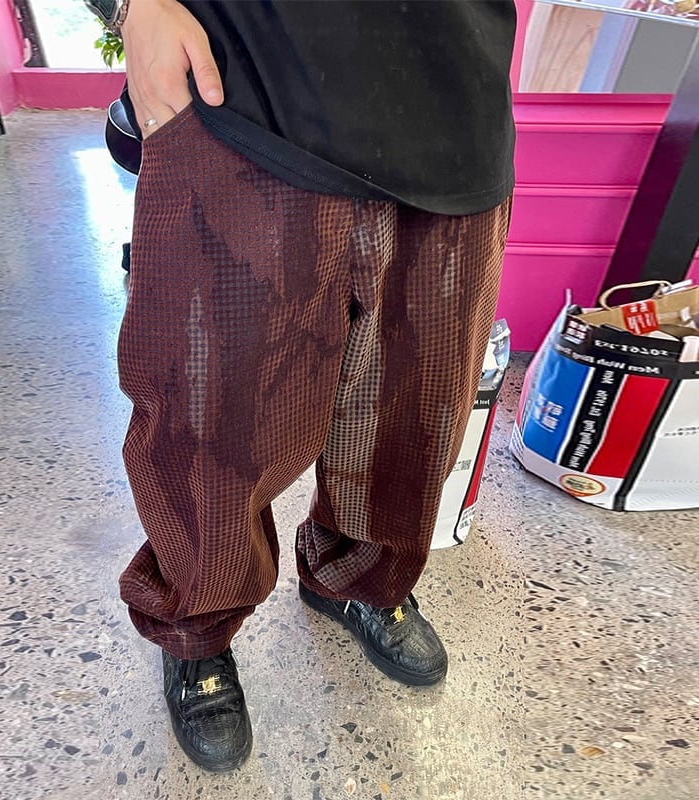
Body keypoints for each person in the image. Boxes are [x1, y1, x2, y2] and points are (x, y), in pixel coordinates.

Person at [86, 0, 516, 773]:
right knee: (212, 424)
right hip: (245, 93)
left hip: (452, 101)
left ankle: (359, 577)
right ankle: (197, 626)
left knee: (414, 408)